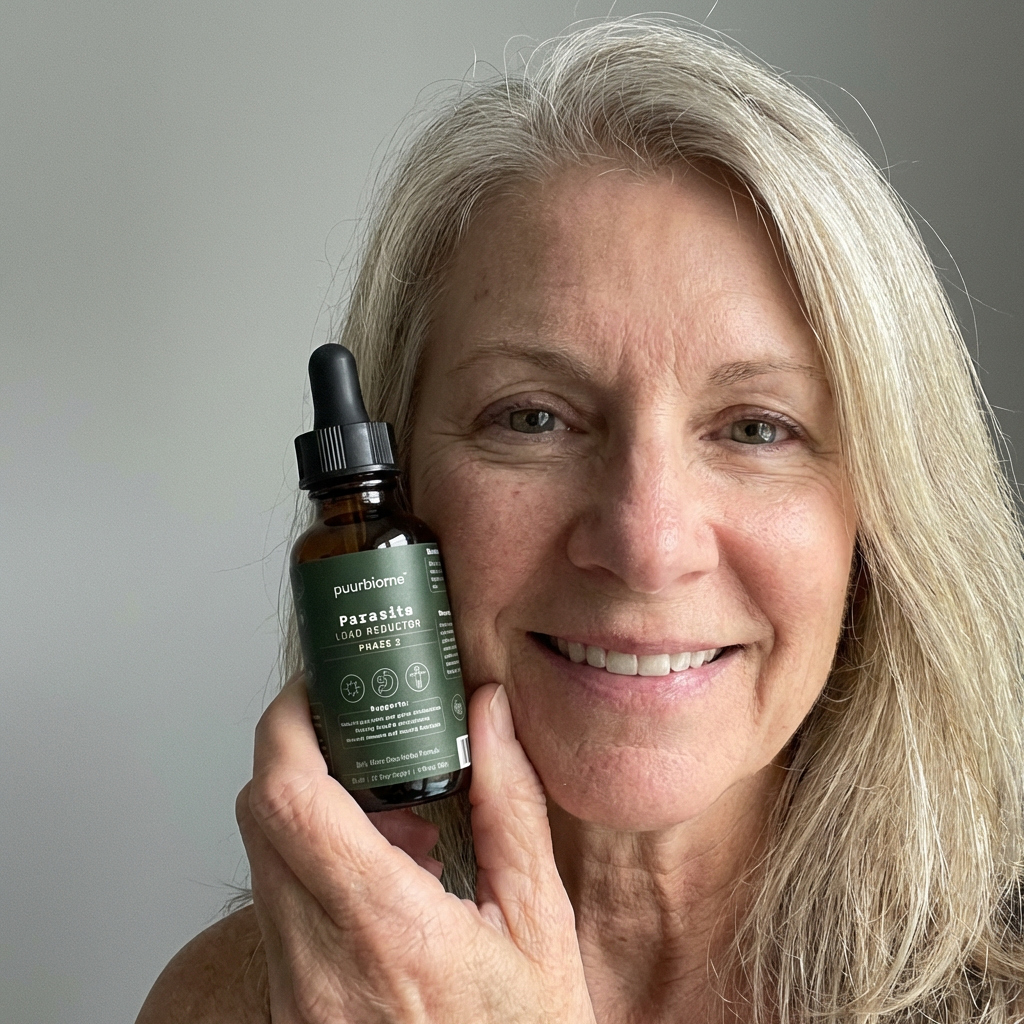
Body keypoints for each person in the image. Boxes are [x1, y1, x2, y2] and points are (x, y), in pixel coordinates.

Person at [137, 20, 1024, 1024]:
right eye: (533, 418)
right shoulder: (224, 1004)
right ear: (398, 490)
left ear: (881, 517)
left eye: (755, 428)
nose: (646, 545)